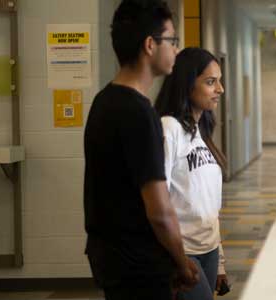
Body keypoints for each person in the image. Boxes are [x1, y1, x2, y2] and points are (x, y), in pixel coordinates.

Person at [83, 1, 198, 298]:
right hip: (139, 265)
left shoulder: (103, 101)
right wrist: (181, 262)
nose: (176, 49)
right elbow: (159, 210)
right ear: (150, 45)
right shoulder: (139, 112)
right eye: (172, 40)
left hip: (111, 259)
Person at [155, 47, 231, 299]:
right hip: (182, 252)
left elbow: (210, 205)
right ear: (187, 85)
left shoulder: (201, 133)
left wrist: (219, 262)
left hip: (208, 250)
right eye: (211, 82)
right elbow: (158, 199)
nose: (220, 89)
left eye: (219, 81)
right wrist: (176, 258)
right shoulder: (169, 128)